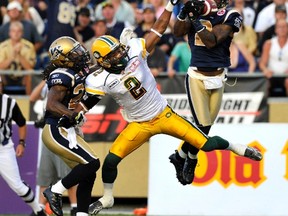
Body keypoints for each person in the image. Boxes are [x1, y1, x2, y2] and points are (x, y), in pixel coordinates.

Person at [74, 0, 262, 214]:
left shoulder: (135, 50)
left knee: (205, 137)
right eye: (113, 55)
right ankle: (107, 198)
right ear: (102, 61)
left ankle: (227, 150)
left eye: (119, 51)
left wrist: (173, 6)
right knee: (109, 161)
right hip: (139, 123)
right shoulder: (99, 78)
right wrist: (73, 112)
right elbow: (85, 102)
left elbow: (160, 28)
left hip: (164, 114)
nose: (119, 55)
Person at [169, 0, 246, 185]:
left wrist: (194, 19)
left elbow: (211, 41)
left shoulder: (231, 15)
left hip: (218, 77)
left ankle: (180, 155)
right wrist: (183, 13)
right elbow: (177, 32)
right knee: (202, 125)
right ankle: (190, 159)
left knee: (206, 126)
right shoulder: (197, 9)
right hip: (196, 75)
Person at [41, 36, 100, 216]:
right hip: (56, 129)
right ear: (63, 58)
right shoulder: (62, 74)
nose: (80, 54)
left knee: (88, 172)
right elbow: (51, 104)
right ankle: (55, 190)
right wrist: (71, 115)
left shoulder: (77, 71)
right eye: (74, 52)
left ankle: (81, 213)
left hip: (67, 129)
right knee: (92, 163)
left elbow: (96, 74)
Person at [29, 80, 78, 216]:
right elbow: (32, 98)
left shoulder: (69, 82)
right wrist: (45, 80)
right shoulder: (50, 84)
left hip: (64, 133)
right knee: (45, 173)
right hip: (49, 132)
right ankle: (40, 209)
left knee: (68, 173)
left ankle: (75, 207)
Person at [0, 93, 46, 216]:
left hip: (3, 149)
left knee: (18, 186)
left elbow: (21, 122)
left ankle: (38, 211)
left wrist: (21, 143)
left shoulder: (9, 102)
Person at [0, 21, 36, 95]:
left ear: (22, 33)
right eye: (13, 31)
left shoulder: (29, 46)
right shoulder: (3, 46)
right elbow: (0, 67)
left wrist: (19, 55)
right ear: (9, 33)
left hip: (22, 77)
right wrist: (12, 56)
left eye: (18, 31)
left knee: (29, 75)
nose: (16, 34)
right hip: (7, 76)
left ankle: (30, 103)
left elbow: (29, 68)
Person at [258, 18, 288, 97]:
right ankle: (264, 108)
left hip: (286, 76)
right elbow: (262, 64)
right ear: (276, 30)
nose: (282, 29)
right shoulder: (269, 43)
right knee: (264, 82)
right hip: (271, 75)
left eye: (284, 27)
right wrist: (265, 70)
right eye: (279, 27)